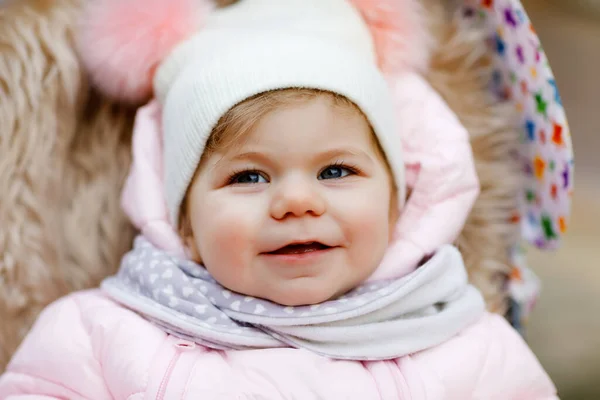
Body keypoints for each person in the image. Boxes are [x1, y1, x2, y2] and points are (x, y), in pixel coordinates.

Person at [0, 0, 557, 398]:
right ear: (184, 222)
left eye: (335, 170)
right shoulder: (99, 337)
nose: (295, 202)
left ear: (397, 204)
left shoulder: (466, 345)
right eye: (248, 178)